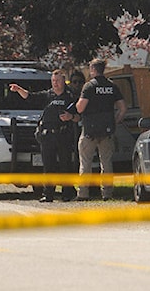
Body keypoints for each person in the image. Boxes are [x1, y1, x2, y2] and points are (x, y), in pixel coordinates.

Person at [10, 70, 79, 202]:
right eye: (53, 81)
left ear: (64, 81)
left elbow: (78, 116)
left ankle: (67, 193)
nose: (56, 83)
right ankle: (48, 194)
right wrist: (19, 89)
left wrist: (70, 117)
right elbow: (30, 97)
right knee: (48, 166)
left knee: (66, 165)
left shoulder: (71, 96)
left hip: (64, 134)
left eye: (58, 81)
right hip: (47, 136)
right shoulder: (48, 95)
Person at [75, 58, 126, 201]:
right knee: (107, 163)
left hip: (89, 132)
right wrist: (114, 121)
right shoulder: (112, 86)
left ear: (92, 70)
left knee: (85, 163)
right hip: (107, 131)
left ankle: (83, 194)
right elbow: (123, 108)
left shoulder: (89, 87)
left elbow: (80, 108)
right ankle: (107, 194)